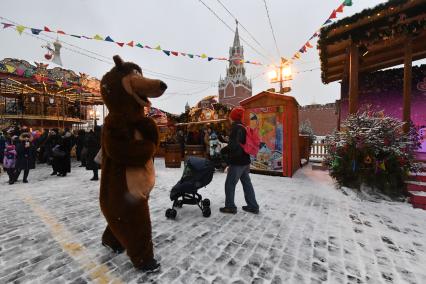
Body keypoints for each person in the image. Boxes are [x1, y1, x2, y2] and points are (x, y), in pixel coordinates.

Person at [220, 107, 259, 214]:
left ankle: (230, 206)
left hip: (238, 162)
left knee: (230, 184)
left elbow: (234, 146)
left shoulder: (235, 128)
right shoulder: (243, 127)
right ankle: (253, 206)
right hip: (245, 161)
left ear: (232, 117)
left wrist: (223, 151)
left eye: (230, 116)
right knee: (247, 183)